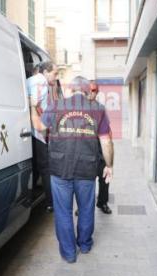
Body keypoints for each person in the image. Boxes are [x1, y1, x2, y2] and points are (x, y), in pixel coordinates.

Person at [30, 76, 114, 263]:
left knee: (63, 212)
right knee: (86, 209)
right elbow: (106, 141)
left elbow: (39, 127)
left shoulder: (56, 105)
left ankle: (69, 253)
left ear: (71, 89)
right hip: (87, 168)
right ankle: (84, 245)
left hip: (60, 169)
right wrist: (109, 166)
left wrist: (31, 109)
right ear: (86, 90)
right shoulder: (98, 109)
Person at [26, 61, 59, 212]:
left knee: (38, 166)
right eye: (55, 73)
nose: (56, 77)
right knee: (45, 167)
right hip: (38, 132)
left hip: (33, 130)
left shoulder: (33, 80)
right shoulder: (40, 82)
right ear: (46, 72)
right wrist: (45, 128)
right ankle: (51, 202)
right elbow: (37, 105)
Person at [89, 80, 112, 214]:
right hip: (85, 151)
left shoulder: (100, 108)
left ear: (97, 92)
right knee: (86, 182)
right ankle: (83, 206)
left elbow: (108, 131)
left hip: (100, 150)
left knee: (104, 179)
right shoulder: (79, 108)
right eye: (90, 90)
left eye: (94, 90)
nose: (92, 93)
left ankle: (102, 203)